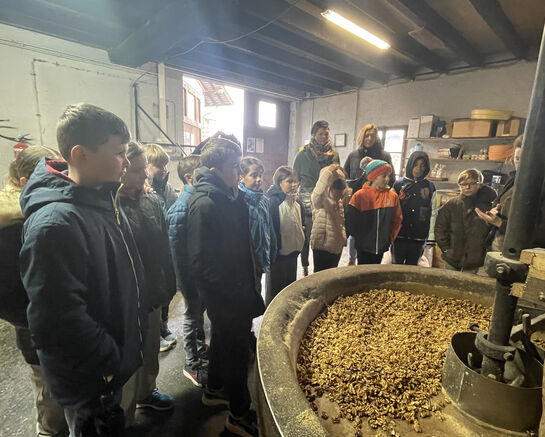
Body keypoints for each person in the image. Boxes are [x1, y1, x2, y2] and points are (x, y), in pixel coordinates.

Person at [19, 103, 146, 437]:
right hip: (93, 375)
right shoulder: (55, 224)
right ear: (80, 154)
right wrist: (110, 360)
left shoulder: (99, 200)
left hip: (108, 366)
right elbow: (56, 321)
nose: (127, 162)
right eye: (118, 153)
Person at [184, 137, 264, 437]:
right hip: (226, 295)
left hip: (237, 287)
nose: (238, 172)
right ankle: (239, 413)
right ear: (216, 169)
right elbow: (199, 262)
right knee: (236, 353)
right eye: (234, 167)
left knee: (225, 342)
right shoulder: (205, 203)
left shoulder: (229, 194)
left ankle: (215, 388)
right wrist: (231, 293)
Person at [0, 146, 67, 437]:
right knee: (48, 391)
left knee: (59, 385)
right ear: (27, 181)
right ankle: (48, 432)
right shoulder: (12, 224)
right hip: (36, 326)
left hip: (55, 320)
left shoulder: (41, 211)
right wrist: (34, 318)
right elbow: (7, 293)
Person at [118, 142, 175, 423]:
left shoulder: (151, 199)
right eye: (138, 169)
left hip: (153, 290)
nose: (144, 175)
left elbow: (163, 245)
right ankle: (124, 417)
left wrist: (167, 284)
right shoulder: (111, 206)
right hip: (126, 300)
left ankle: (147, 392)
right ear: (122, 168)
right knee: (127, 360)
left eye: (144, 169)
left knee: (150, 348)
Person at [166, 154, 209, 387]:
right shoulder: (180, 209)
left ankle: (201, 349)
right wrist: (186, 284)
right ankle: (191, 362)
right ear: (190, 177)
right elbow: (178, 253)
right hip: (190, 277)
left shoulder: (198, 202)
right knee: (192, 316)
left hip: (201, 274)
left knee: (199, 313)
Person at [293, 120, 339, 276]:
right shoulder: (302, 155)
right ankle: (305, 265)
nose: (324, 136)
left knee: (322, 234)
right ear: (313, 134)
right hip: (306, 199)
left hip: (327, 199)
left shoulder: (334, 155)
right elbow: (295, 177)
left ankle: (319, 269)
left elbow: (337, 177)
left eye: (326, 133)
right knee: (306, 235)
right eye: (320, 133)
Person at [344, 124, 395, 265]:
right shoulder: (353, 155)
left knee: (374, 229)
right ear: (362, 136)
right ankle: (351, 257)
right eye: (367, 135)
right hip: (359, 198)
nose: (369, 138)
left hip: (379, 199)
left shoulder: (384, 155)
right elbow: (345, 176)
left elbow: (392, 178)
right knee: (356, 231)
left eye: (372, 135)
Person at [144, 144, 178, 352]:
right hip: (153, 247)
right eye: (158, 165)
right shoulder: (145, 189)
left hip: (166, 245)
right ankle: (154, 333)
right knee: (155, 291)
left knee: (167, 289)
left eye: (164, 165)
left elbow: (172, 209)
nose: (163, 169)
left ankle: (163, 326)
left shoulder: (164, 186)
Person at [435, 168, 496, 273]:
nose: (467, 187)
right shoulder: (452, 204)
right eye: (463, 184)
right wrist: (445, 249)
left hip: (475, 259)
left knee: (468, 285)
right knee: (449, 284)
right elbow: (440, 228)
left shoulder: (488, 206)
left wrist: (485, 251)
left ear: (480, 184)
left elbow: (493, 231)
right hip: (452, 257)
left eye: (472, 183)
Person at [345, 160, 402, 264]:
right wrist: (352, 253)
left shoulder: (392, 196)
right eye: (383, 176)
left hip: (381, 246)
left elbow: (397, 220)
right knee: (363, 275)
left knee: (375, 274)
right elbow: (351, 224)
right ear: (373, 177)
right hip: (363, 247)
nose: (387, 179)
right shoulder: (359, 196)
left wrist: (389, 239)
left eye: (388, 176)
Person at [266, 166, 306, 304]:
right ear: (279, 183)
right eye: (289, 181)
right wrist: (274, 252)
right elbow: (271, 230)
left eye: (295, 181)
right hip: (278, 257)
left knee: (289, 288)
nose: (294, 185)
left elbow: (301, 226)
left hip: (293, 253)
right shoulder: (273, 203)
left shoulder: (297, 203)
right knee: (275, 292)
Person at [476, 135, 521, 251]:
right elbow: (497, 204)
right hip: (499, 246)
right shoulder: (513, 180)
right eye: (517, 159)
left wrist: (500, 223)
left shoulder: (539, 187)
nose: (520, 164)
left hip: (523, 252)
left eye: (526, 159)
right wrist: (493, 214)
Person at [239, 157, 277, 293]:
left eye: (260, 175)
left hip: (260, 259)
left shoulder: (264, 201)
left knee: (256, 292)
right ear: (241, 177)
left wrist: (272, 251)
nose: (259, 179)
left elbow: (269, 229)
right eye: (254, 175)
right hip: (244, 263)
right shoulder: (239, 202)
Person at [391, 151, 436, 265]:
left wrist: (431, 237)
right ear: (410, 165)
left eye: (422, 165)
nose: (419, 168)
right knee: (396, 266)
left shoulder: (430, 186)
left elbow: (434, 212)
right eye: (415, 165)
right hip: (399, 235)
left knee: (413, 267)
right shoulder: (399, 184)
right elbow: (391, 209)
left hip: (419, 235)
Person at [310, 164, 348, 272]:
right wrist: (329, 172)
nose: (339, 193)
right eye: (335, 189)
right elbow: (317, 191)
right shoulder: (321, 201)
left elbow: (341, 223)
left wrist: (343, 239)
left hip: (336, 246)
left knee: (332, 273)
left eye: (341, 190)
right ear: (328, 187)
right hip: (322, 247)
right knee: (319, 274)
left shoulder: (339, 203)